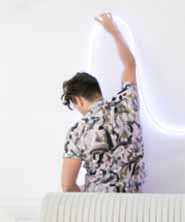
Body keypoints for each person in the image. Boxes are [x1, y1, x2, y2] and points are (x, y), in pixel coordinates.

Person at [60, 13, 145, 192]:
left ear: (78, 100)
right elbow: (130, 65)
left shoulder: (78, 132)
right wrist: (115, 32)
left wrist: (88, 190)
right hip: (137, 208)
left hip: (100, 212)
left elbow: (67, 186)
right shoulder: (127, 104)